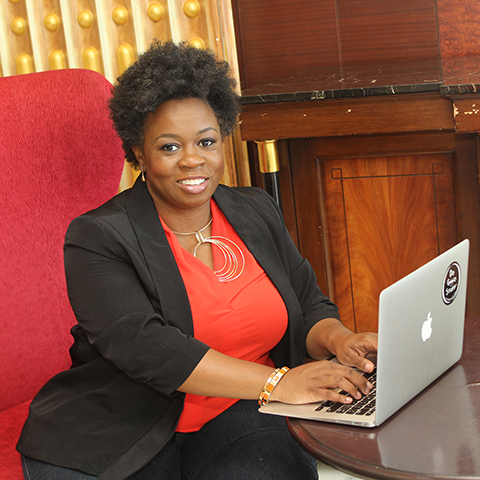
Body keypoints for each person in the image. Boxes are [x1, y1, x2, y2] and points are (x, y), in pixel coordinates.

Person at [17, 41, 377, 480]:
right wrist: (277, 382)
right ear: (138, 154)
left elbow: (307, 304)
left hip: (240, 415)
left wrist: (339, 340)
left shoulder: (254, 209)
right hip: (119, 429)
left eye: (206, 141)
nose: (193, 160)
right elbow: (148, 350)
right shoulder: (98, 236)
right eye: (169, 147)